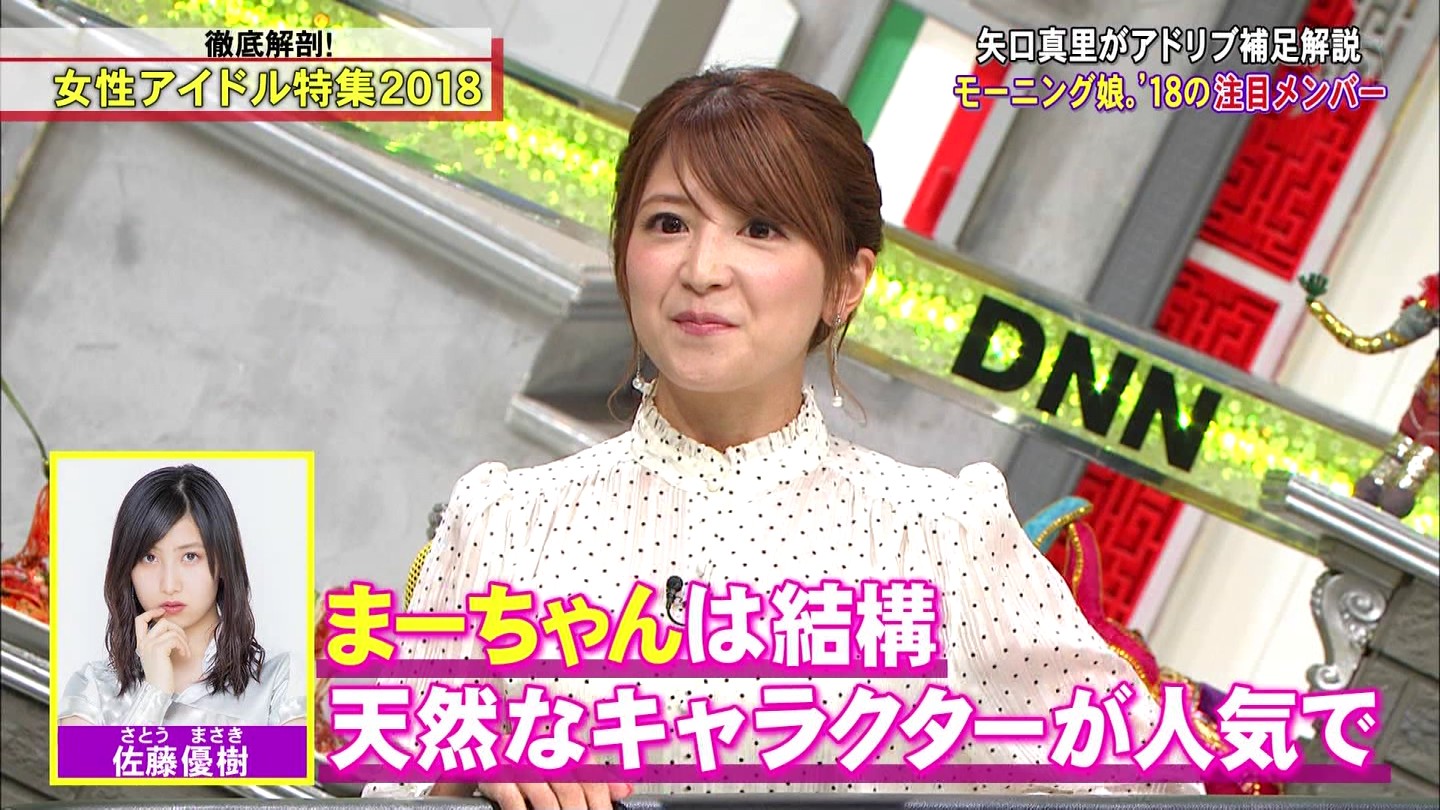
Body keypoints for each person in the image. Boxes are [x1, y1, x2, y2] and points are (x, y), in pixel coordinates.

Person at [365, 67, 1202, 807]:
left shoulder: (941, 537)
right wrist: (470, 772)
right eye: (668, 223)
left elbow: (1147, 782)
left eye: (761, 228)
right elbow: (384, 787)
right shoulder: (505, 524)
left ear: (846, 282)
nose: (702, 270)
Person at [58, 464, 305, 727]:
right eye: (149, 557)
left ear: (223, 561)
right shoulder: (92, 689)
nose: (169, 584)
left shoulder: (280, 680)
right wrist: (154, 693)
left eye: (190, 556)